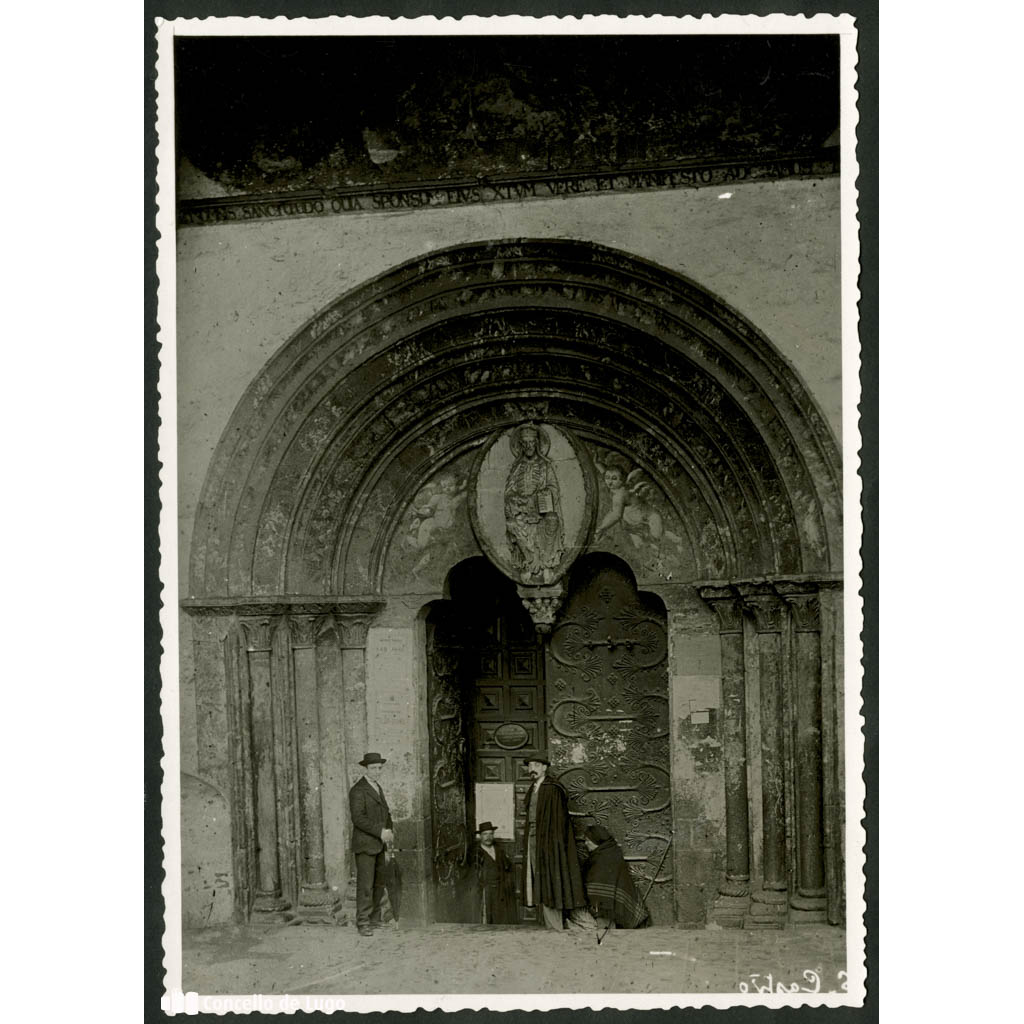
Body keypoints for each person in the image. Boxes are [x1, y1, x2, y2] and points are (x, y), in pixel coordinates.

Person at [521, 754, 588, 929]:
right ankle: (551, 924)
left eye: (536, 765)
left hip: (549, 844)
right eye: (529, 766)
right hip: (534, 840)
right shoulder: (534, 787)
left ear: (544, 768)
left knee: (550, 878)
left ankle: (556, 925)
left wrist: (552, 845)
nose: (532, 769)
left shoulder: (552, 789)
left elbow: (559, 822)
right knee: (538, 878)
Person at [504, 424, 565, 584]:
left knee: (552, 520)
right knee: (513, 525)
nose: (528, 446)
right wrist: (517, 500)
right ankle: (530, 562)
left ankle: (546, 563)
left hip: (541, 510)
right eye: (525, 443)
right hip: (522, 511)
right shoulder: (517, 467)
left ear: (537, 444)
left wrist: (540, 496)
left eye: (531, 442)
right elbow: (508, 492)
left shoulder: (545, 466)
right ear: (521, 445)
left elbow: (554, 488)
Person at [349, 752, 394, 937]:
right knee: (365, 885)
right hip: (366, 845)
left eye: (379, 768)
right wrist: (380, 832)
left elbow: (385, 813)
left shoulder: (377, 787)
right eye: (373, 768)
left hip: (379, 844)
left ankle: (374, 920)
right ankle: (363, 922)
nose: (377, 771)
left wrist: (390, 830)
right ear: (366, 769)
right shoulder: (358, 790)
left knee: (378, 884)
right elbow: (358, 819)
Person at [580, 824, 651, 930]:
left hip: (605, 907)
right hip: (606, 905)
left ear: (596, 840)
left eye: (588, 840)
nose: (586, 844)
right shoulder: (602, 854)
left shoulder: (605, 856)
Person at [475, 821, 518, 924]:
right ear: (480, 836)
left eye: (490, 834)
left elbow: (509, 867)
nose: (488, 837)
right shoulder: (477, 853)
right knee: (487, 920)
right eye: (485, 834)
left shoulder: (499, 850)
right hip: (486, 892)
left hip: (501, 891)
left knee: (501, 919)